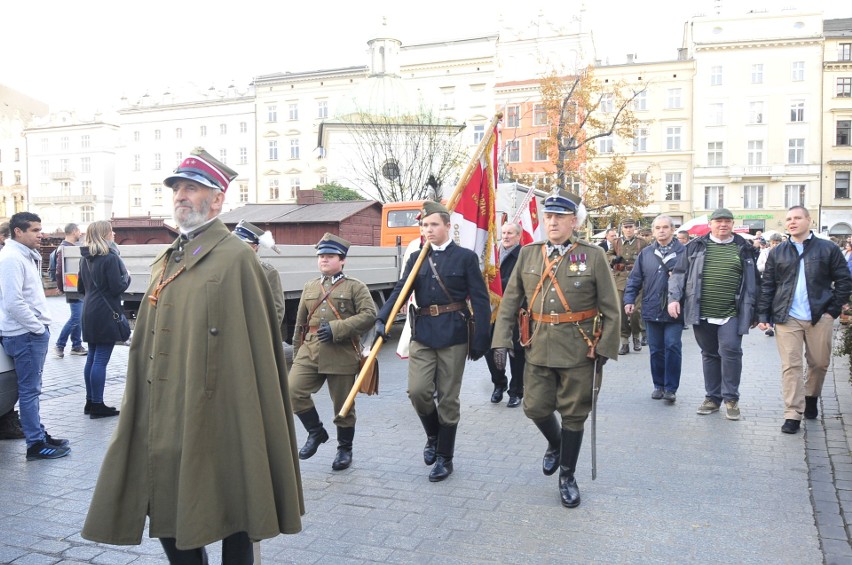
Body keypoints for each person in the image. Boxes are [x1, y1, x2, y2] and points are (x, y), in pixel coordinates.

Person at [82, 148, 303, 563]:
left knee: (236, 498)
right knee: (165, 495)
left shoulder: (237, 259)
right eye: (177, 189)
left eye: (192, 189)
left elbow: (254, 349)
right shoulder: (169, 258)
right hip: (164, 407)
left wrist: (243, 415)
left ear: (217, 200)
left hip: (223, 411)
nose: (181, 196)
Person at [492, 189, 619, 508]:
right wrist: (500, 339)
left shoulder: (592, 255)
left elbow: (611, 308)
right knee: (534, 407)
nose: (552, 222)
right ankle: (557, 442)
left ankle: (567, 475)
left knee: (575, 414)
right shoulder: (529, 253)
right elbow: (510, 300)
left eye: (559, 217)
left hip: (579, 349)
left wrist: (605, 347)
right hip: (538, 346)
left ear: (573, 221)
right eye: (548, 216)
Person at [375, 201, 491, 482]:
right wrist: (382, 318)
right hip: (423, 333)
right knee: (418, 391)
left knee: (448, 399)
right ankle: (433, 435)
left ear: (447, 226)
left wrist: (482, 338)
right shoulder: (417, 258)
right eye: (424, 225)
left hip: (453, 334)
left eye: (434, 224)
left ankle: (444, 458)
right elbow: (401, 290)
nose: (428, 230)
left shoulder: (464, 258)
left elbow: (480, 299)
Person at [757, 206, 852, 434]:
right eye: (789, 219)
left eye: (797, 218)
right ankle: (792, 413)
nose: (792, 222)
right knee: (791, 366)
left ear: (808, 220)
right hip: (787, 317)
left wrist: (832, 311)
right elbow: (768, 284)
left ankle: (811, 397)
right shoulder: (778, 251)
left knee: (819, 363)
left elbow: (844, 281)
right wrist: (763, 315)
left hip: (819, 316)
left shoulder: (828, 249)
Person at [289, 233, 376, 471]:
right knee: (293, 390)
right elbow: (300, 325)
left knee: (343, 405)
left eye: (329, 256)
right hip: (311, 349)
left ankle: (344, 450)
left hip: (342, 351)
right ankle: (316, 432)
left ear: (342, 260)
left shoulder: (355, 286)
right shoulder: (309, 286)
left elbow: (369, 315)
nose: (324, 260)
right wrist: (298, 355)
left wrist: (338, 328)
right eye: (321, 256)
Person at [668, 208, 760, 421]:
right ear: (711, 224)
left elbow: (755, 281)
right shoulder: (694, 246)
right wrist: (673, 298)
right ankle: (712, 398)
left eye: (727, 221)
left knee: (730, 350)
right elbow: (679, 274)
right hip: (701, 312)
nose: (723, 225)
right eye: (718, 221)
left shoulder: (744, 248)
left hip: (732, 312)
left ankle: (731, 399)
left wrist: (757, 311)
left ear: (732, 224)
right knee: (709, 354)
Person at [0, 212, 70, 459]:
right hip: (25, 334)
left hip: (27, 333)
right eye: (35, 230)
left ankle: (38, 433)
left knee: (30, 390)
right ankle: (36, 445)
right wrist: (37, 328)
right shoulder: (11, 258)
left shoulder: (24, 255)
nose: (41, 234)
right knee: (30, 391)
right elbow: (13, 302)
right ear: (18, 232)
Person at [624, 215, 685, 402]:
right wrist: (629, 299)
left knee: (672, 346)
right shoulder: (646, 253)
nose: (661, 231)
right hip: (651, 307)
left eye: (665, 227)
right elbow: (634, 279)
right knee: (656, 349)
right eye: (658, 228)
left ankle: (671, 388)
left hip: (675, 309)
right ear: (653, 231)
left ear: (672, 230)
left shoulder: (684, 252)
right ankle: (658, 385)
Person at [77, 221, 131, 419]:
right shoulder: (110, 257)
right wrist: (128, 278)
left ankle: (90, 402)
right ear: (104, 234)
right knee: (100, 359)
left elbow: (81, 288)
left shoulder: (85, 259)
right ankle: (98, 406)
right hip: (106, 312)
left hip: (89, 309)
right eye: (111, 231)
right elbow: (117, 287)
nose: (114, 233)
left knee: (92, 357)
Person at [484, 222, 525, 407]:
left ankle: (516, 391)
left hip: (515, 311)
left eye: (510, 233)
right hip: (492, 311)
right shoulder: (493, 255)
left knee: (516, 353)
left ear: (518, 236)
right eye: (504, 233)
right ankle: (499, 384)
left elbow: (521, 280)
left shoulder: (523, 255)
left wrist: (495, 284)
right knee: (491, 350)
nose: (506, 236)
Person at [233, 220, 286, 332]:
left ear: (255, 247)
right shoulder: (225, 268)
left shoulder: (267, 273)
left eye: (242, 244)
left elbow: (276, 311)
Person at [608, 219, 646, 353]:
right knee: (621, 312)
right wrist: (613, 259)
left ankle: (636, 336)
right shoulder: (616, 242)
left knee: (636, 312)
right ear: (622, 229)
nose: (628, 229)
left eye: (631, 227)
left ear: (635, 228)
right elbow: (608, 255)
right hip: (620, 279)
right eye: (626, 227)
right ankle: (624, 341)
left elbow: (648, 257)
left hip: (637, 280)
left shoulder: (642, 242)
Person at [53, 223, 88, 358]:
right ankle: (59, 345)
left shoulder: (69, 247)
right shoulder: (64, 249)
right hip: (72, 288)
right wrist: (62, 287)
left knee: (77, 317)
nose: (80, 233)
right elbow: (58, 270)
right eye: (79, 231)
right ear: (74, 232)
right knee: (76, 317)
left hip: (75, 287)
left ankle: (76, 345)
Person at [758, 233, 784, 337]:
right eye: (773, 243)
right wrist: (769, 264)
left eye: (777, 243)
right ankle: (770, 326)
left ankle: (775, 324)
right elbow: (758, 267)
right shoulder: (765, 252)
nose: (775, 245)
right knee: (769, 302)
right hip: (768, 281)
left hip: (781, 282)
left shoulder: (785, 253)